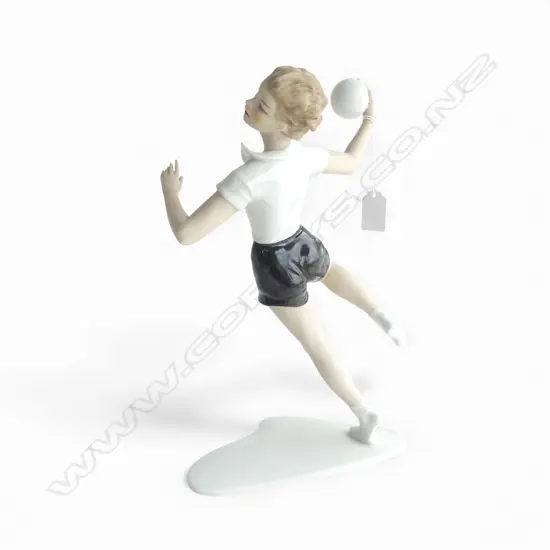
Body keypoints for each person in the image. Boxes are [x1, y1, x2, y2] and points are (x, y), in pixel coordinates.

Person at [161, 65, 403, 443]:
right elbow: (352, 161)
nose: (248, 104)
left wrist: (170, 194)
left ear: (287, 124)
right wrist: (369, 119)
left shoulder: (247, 179)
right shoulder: (304, 157)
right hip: (303, 244)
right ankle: (382, 315)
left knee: (316, 341)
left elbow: (186, 233)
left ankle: (362, 410)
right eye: (256, 96)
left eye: (262, 105)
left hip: (274, 265)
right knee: (334, 273)